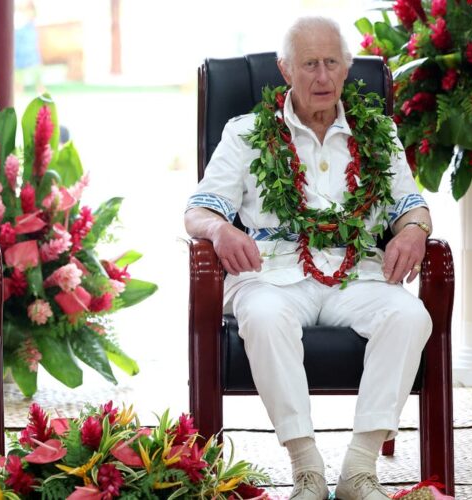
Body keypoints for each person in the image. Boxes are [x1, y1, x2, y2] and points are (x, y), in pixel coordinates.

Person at [185, 17, 433, 500]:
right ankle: (307, 469)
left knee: (409, 315)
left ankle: (359, 471)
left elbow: (411, 204)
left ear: (346, 70)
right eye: (309, 64)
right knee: (264, 315)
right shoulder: (247, 133)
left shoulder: (377, 131)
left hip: (357, 274)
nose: (322, 77)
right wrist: (219, 229)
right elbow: (199, 211)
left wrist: (415, 230)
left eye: (332, 63)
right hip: (269, 274)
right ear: (285, 69)